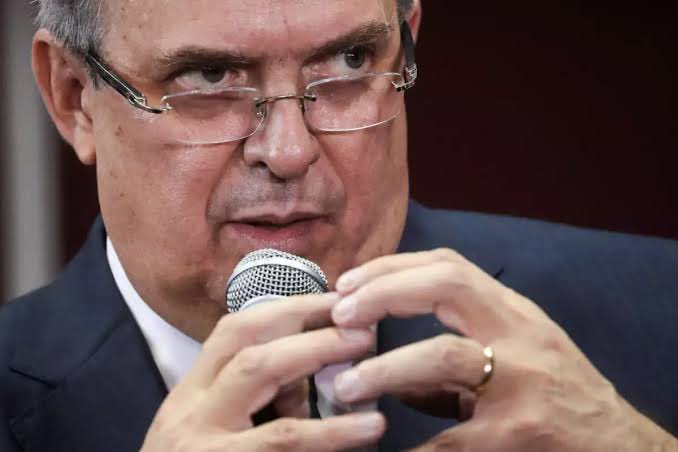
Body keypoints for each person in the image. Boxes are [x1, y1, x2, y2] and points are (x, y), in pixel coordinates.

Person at [1, 0, 677, 450]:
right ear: (73, 97)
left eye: (350, 62)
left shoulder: (657, 313)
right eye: (209, 76)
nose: (289, 151)